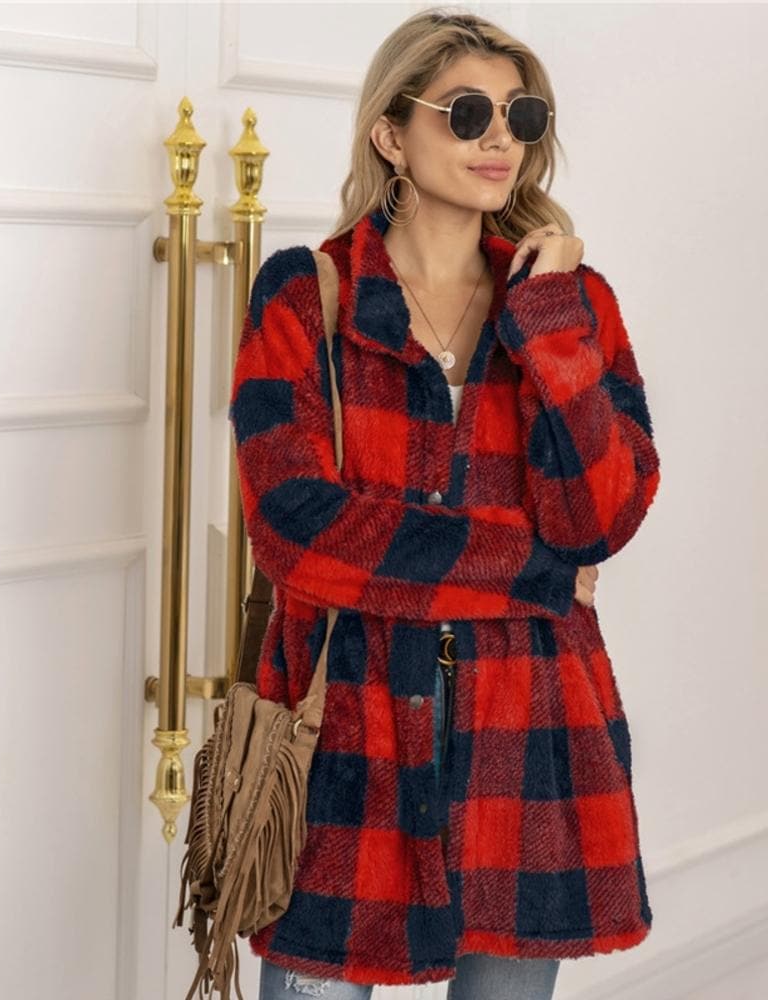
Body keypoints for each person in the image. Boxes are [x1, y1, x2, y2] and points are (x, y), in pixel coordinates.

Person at [229, 8, 661, 1000]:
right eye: (466, 113)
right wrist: (534, 569)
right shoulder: (306, 296)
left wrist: (546, 325)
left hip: (531, 736)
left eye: (521, 114)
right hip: (348, 733)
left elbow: (601, 518)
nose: (500, 137)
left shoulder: (572, 301)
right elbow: (297, 528)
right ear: (392, 134)